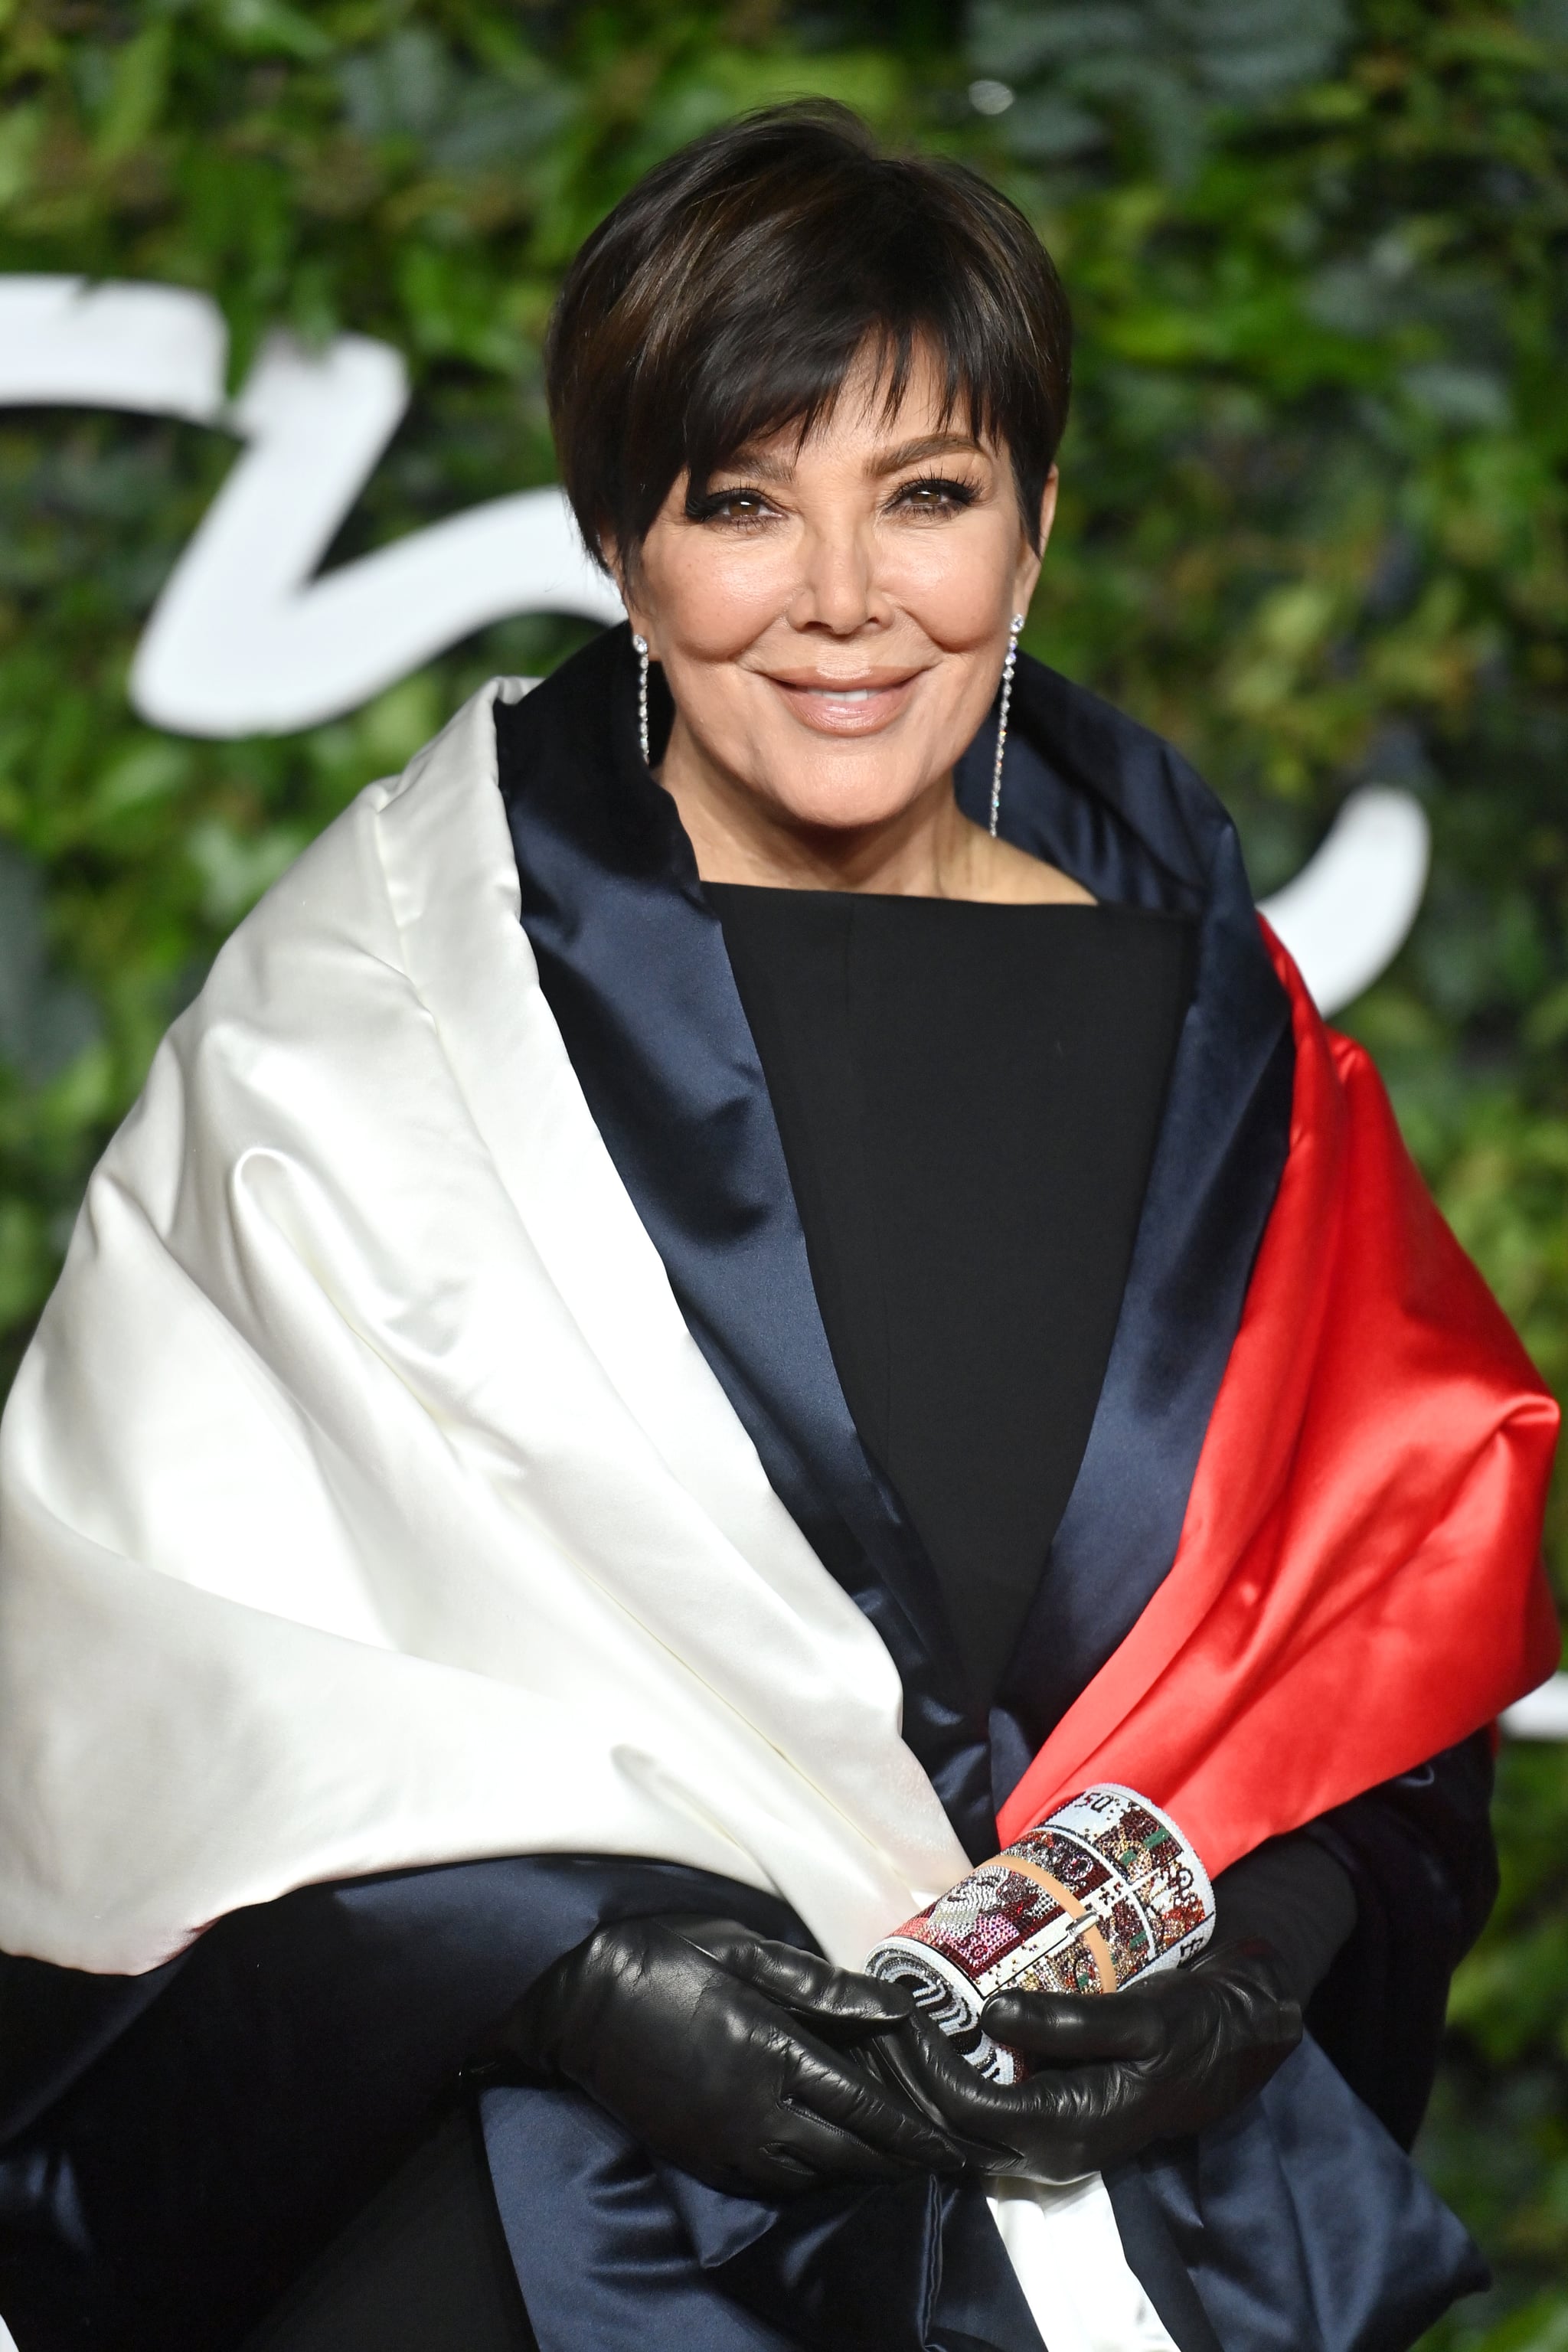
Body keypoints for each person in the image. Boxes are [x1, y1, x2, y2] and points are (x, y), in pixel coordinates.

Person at [0, 103, 1557, 2352]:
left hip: (1121, 2223)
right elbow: (136, 1664)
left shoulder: (1228, 1043)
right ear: (623, 545)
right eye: (745, 503)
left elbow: (1374, 1637)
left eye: (925, 497)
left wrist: (1255, 1954)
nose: (843, 599)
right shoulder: (373, 1031)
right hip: (525, 2239)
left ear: (1033, 537)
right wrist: (567, 1967)